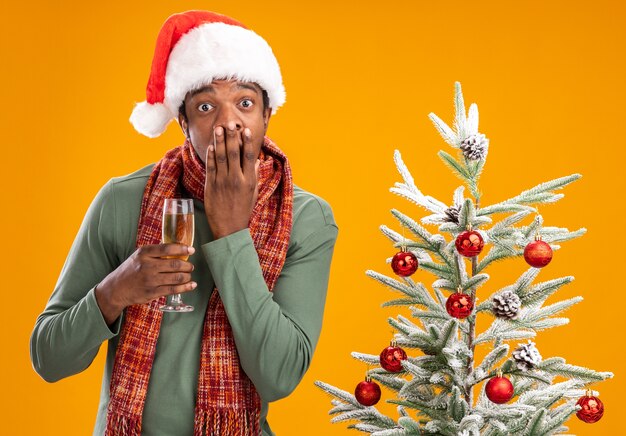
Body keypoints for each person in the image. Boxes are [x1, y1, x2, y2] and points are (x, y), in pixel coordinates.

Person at [30, 10, 338, 436]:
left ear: (268, 114)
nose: (228, 123)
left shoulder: (306, 217)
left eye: (245, 103)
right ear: (183, 123)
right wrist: (113, 292)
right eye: (206, 106)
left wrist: (231, 232)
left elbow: (280, 376)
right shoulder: (124, 201)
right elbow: (48, 358)